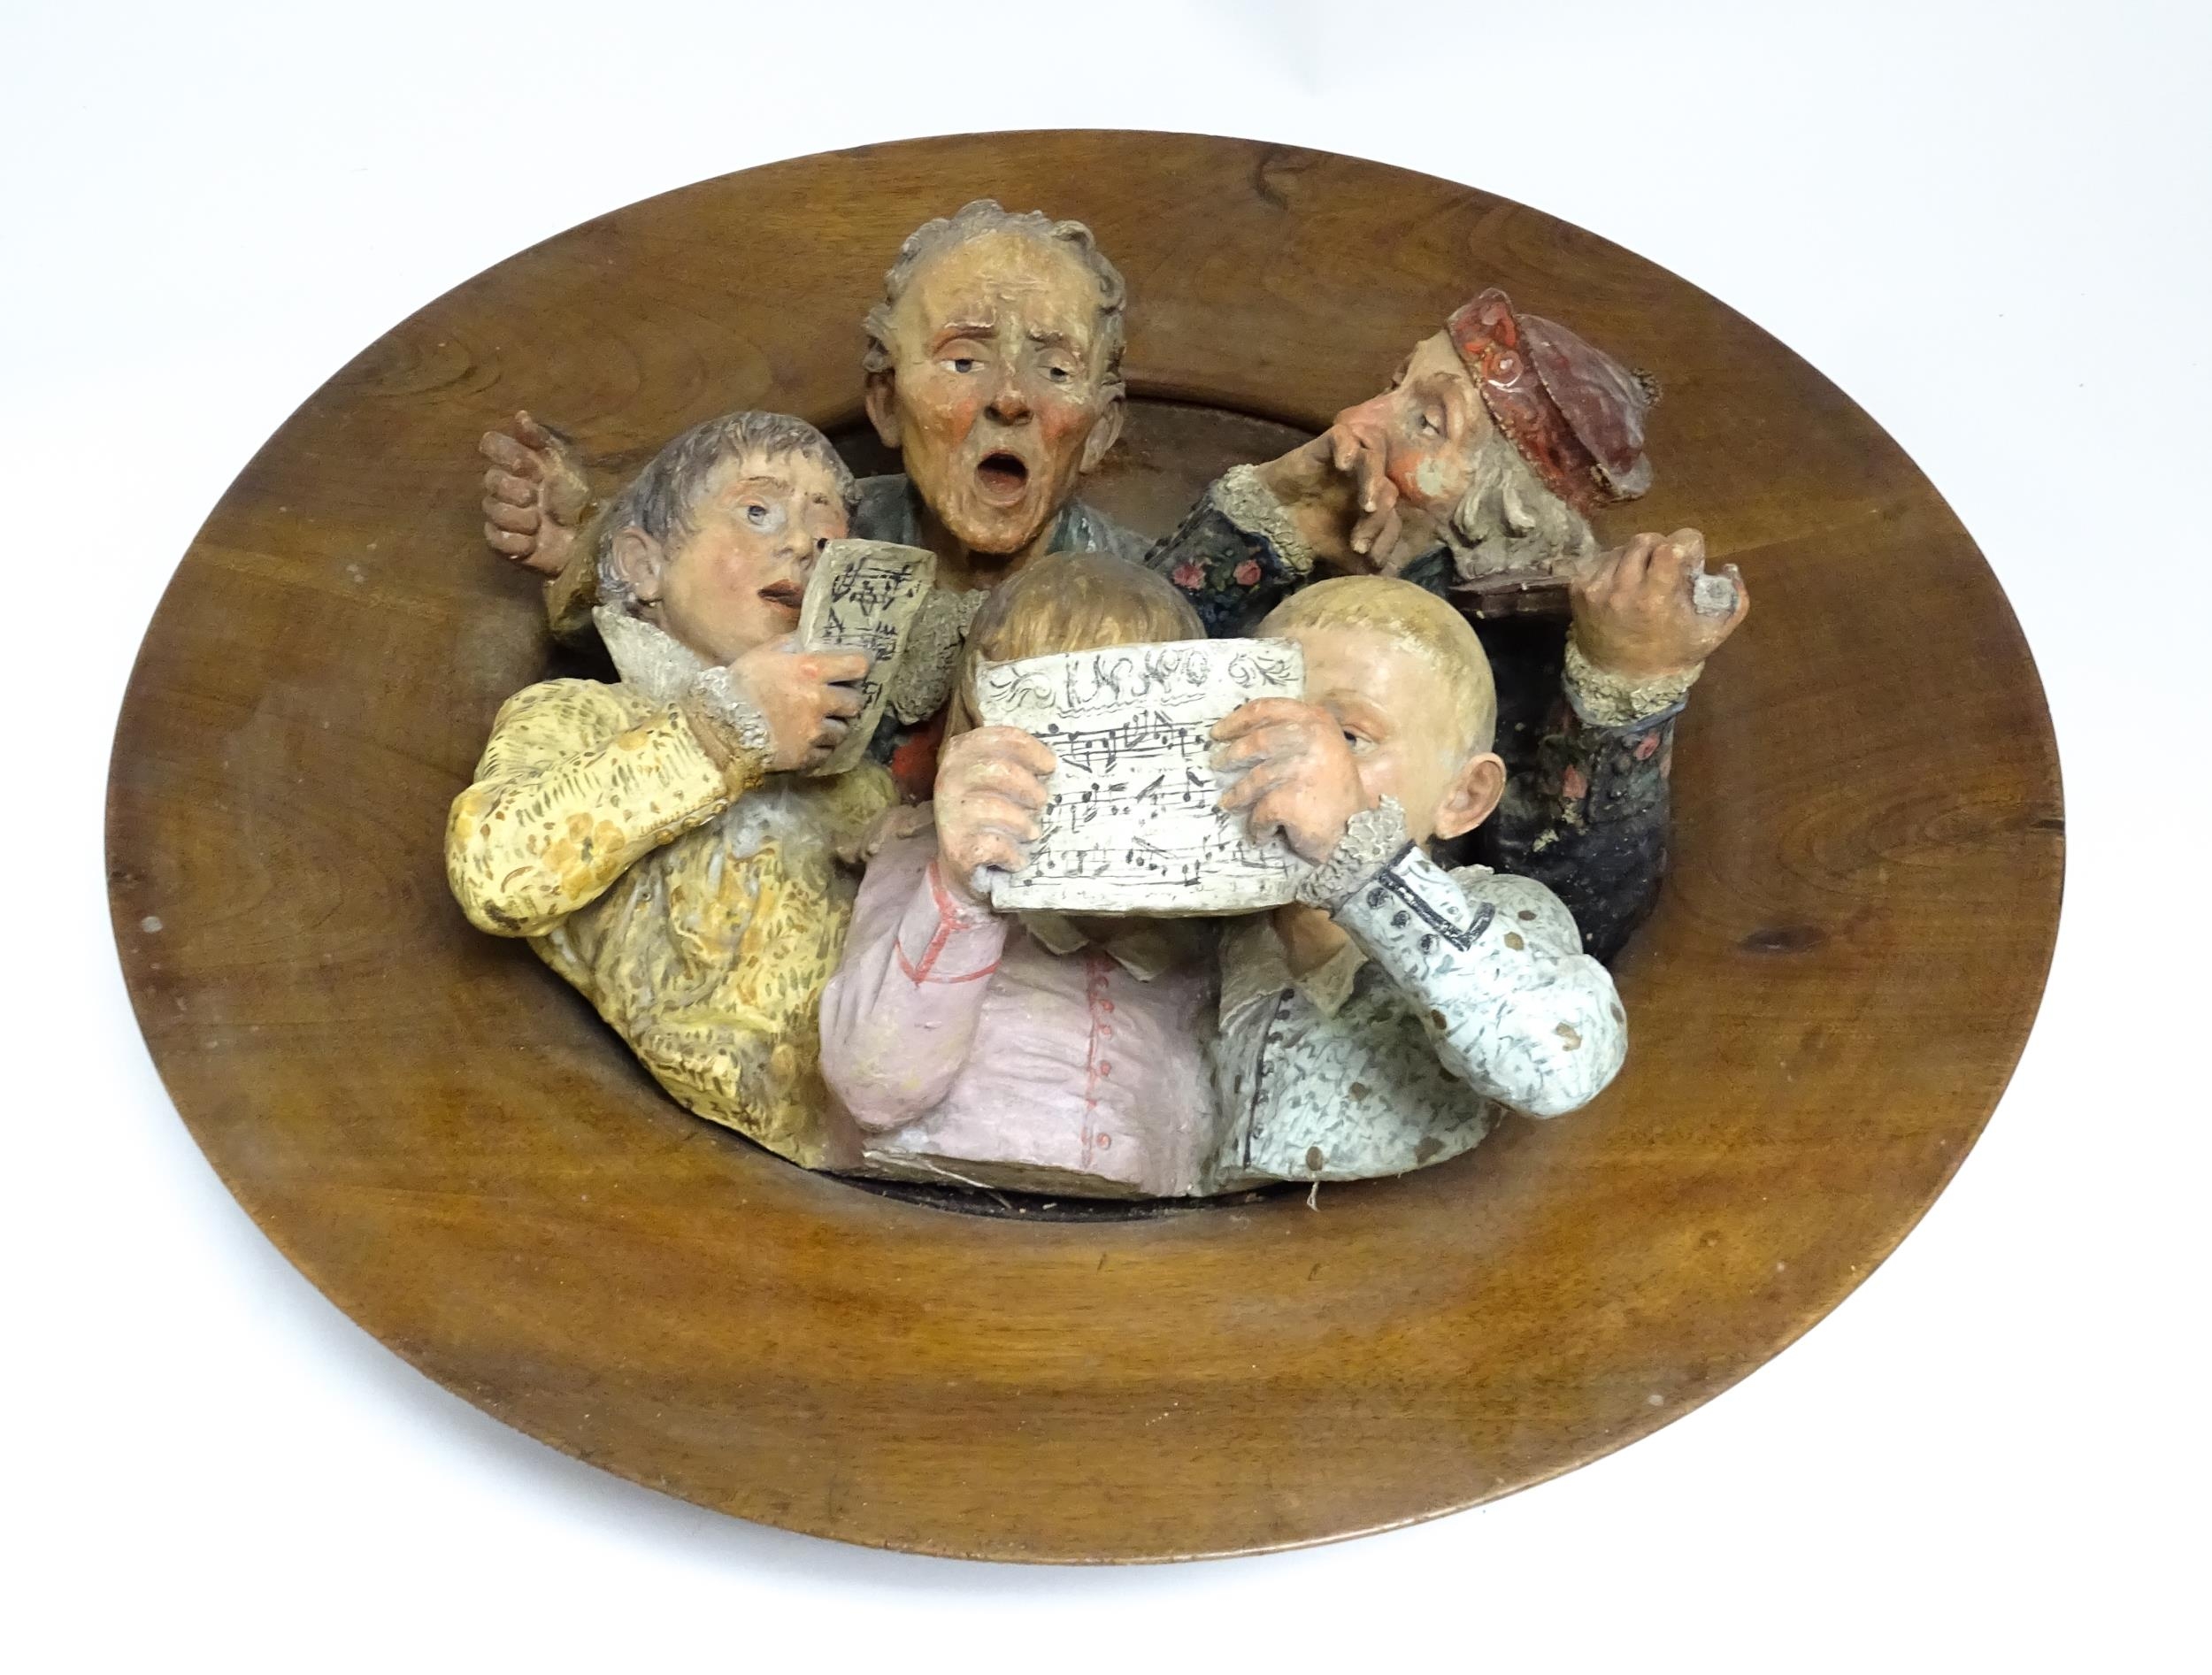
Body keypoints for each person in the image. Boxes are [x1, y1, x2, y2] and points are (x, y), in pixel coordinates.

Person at [478, 204, 1740, 955]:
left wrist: (1624, 687)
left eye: (1054, 370)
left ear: (1104, 429)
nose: (1008, 399)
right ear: (885, 402)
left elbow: (1182, 674)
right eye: (961, 360)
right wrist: (603, 533)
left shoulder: (1149, 597)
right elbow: (693, 587)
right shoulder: (825, 541)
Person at [445, 411, 891, 1167]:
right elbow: (495, 868)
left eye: (827, 536)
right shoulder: (584, 717)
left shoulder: (859, 786)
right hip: (670, 1153)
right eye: (758, 512)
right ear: (643, 566)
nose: (800, 545)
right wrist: (726, 730)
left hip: (851, 1154)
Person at [818, 555, 1222, 1198]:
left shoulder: (1201, 914)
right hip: (934, 1208)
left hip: (1145, 1237)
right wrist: (962, 892)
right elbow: (875, 1086)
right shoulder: (920, 865)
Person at [1205, 577, 1627, 1188]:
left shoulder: (1500, 913)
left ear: (1464, 796)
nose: (1291, 769)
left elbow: (1558, 1065)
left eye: (1349, 738)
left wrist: (1356, 855)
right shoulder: (1208, 938)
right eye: (1263, 733)